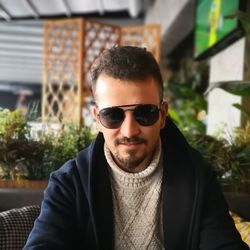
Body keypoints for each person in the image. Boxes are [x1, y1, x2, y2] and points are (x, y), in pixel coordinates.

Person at [24, 46, 249, 250]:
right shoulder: (69, 183)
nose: (129, 131)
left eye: (145, 113)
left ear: (162, 115)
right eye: (113, 115)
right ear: (97, 119)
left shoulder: (198, 177)